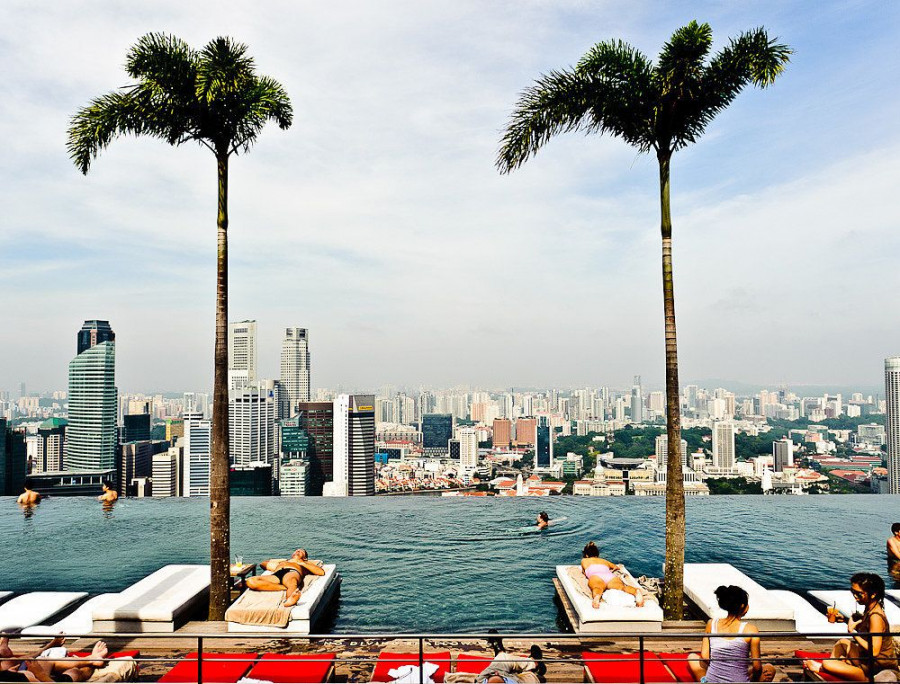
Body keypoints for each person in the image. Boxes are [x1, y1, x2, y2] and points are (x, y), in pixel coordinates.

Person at [804, 573, 899, 682]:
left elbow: (874, 652)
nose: (855, 597)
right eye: (853, 592)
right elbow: (866, 630)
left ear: (873, 594)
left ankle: (861, 678)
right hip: (867, 660)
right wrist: (844, 620)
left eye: (859, 594)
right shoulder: (870, 609)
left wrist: (853, 633)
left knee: (827, 663)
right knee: (842, 643)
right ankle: (836, 669)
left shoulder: (876, 617)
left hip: (878, 667)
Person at [687, 585, 775, 683]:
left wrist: (721, 666)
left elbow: (705, 656)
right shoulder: (751, 630)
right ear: (742, 606)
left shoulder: (711, 624)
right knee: (769, 668)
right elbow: (757, 667)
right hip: (739, 680)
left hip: (713, 680)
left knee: (692, 657)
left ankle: (704, 680)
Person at [0, 636, 117, 683]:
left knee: (45, 661)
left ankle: (91, 659)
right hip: (42, 680)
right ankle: (92, 661)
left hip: (20, 674)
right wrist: (40, 675)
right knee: (75, 672)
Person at [246, 548, 325, 607]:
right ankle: (283, 587)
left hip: (292, 572)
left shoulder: (305, 563)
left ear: (304, 557)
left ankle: (289, 600)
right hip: (276, 574)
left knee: (292, 583)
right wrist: (282, 561)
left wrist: (301, 562)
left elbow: (321, 572)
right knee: (251, 581)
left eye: (301, 552)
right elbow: (263, 564)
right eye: (296, 550)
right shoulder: (283, 562)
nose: (298, 551)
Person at [581, 541, 644, 609]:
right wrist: (612, 570)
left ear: (586, 555)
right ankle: (636, 592)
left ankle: (597, 598)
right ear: (597, 554)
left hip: (596, 576)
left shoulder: (584, 560)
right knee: (622, 588)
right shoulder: (604, 561)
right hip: (609, 576)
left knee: (597, 588)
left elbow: (584, 573)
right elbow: (616, 567)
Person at [475, 629, 545, 684]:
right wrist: (496, 677)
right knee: (532, 676)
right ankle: (534, 664)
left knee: (503, 658)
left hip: (485, 679)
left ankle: (533, 664)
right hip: (501, 677)